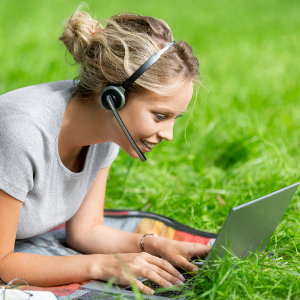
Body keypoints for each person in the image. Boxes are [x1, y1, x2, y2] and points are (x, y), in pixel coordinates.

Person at [0, 6, 210, 295]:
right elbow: (2, 263)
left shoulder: (107, 131)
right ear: (113, 96)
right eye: (160, 116)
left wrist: (153, 244)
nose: (169, 135)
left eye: (175, 118)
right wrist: (101, 266)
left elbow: (85, 231)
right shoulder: (23, 132)